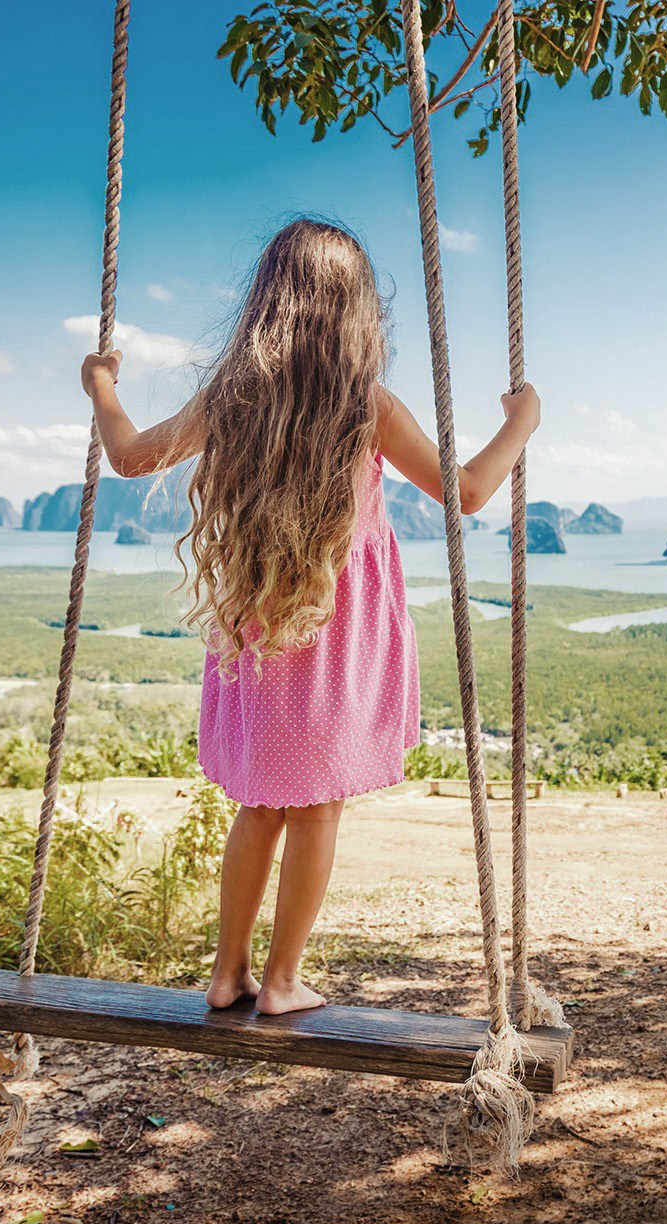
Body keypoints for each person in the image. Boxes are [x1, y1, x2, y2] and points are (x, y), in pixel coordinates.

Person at [79, 218, 540, 1014]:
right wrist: (522, 422)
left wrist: (101, 385)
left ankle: (228, 974)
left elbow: (128, 456)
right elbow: (466, 492)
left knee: (261, 803)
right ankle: (283, 980)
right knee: (316, 802)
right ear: (359, 314)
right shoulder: (367, 405)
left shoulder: (234, 396)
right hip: (333, 636)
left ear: (266, 304)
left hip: (260, 626)